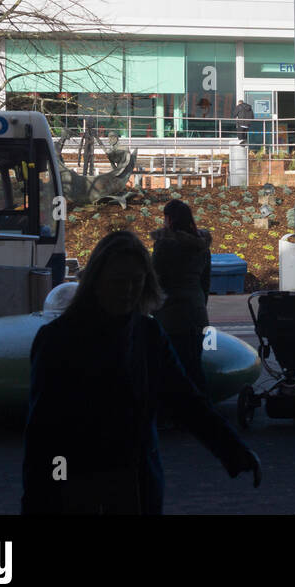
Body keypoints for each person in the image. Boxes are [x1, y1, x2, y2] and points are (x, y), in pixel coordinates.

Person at [22, 230, 259, 514]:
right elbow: (43, 433)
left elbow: (186, 401)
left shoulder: (144, 334)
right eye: (120, 282)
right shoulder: (68, 339)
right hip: (97, 488)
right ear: (96, 282)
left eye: (137, 281)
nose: (129, 290)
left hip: (125, 485)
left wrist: (233, 451)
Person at [150, 200, 212, 393]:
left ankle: (175, 417)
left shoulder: (164, 245)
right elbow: (205, 283)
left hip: (171, 315)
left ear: (168, 219)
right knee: (194, 367)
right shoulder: (202, 246)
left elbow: (155, 279)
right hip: (197, 313)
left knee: (171, 369)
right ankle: (202, 414)